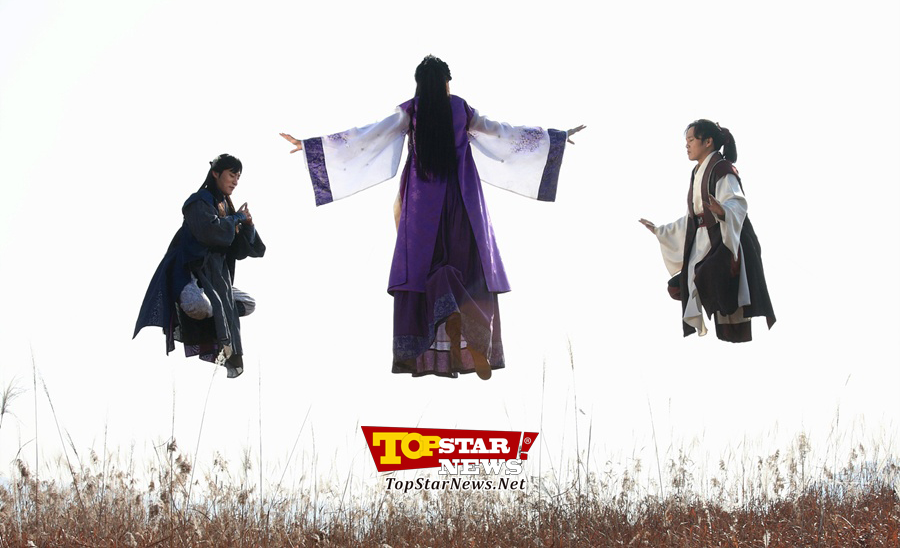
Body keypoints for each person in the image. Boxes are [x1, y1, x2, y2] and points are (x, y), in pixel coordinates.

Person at [281, 55, 584, 379]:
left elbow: (367, 136)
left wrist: (313, 147)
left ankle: (448, 317)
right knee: (469, 270)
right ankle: (472, 331)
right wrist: (555, 139)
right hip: (463, 204)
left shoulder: (411, 111)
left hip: (422, 208)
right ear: (446, 82)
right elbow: (503, 134)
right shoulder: (461, 109)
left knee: (425, 272)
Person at [639, 120, 775, 342]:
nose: (687, 145)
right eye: (686, 141)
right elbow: (693, 217)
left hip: (725, 237)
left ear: (708, 141)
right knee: (678, 286)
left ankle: (730, 319)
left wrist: (723, 211)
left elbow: (737, 203)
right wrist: (662, 230)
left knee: (709, 278)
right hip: (703, 240)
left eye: (691, 140)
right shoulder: (697, 172)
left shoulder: (722, 168)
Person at [134, 154, 266, 377]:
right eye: (231, 175)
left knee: (248, 304)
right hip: (190, 273)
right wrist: (236, 219)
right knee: (199, 306)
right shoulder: (198, 201)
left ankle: (216, 316)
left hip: (216, 281)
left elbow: (243, 249)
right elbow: (210, 231)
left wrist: (248, 225)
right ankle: (196, 310)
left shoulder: (228, 208)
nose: (235, 181)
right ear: (216, 173)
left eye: (238, 177)